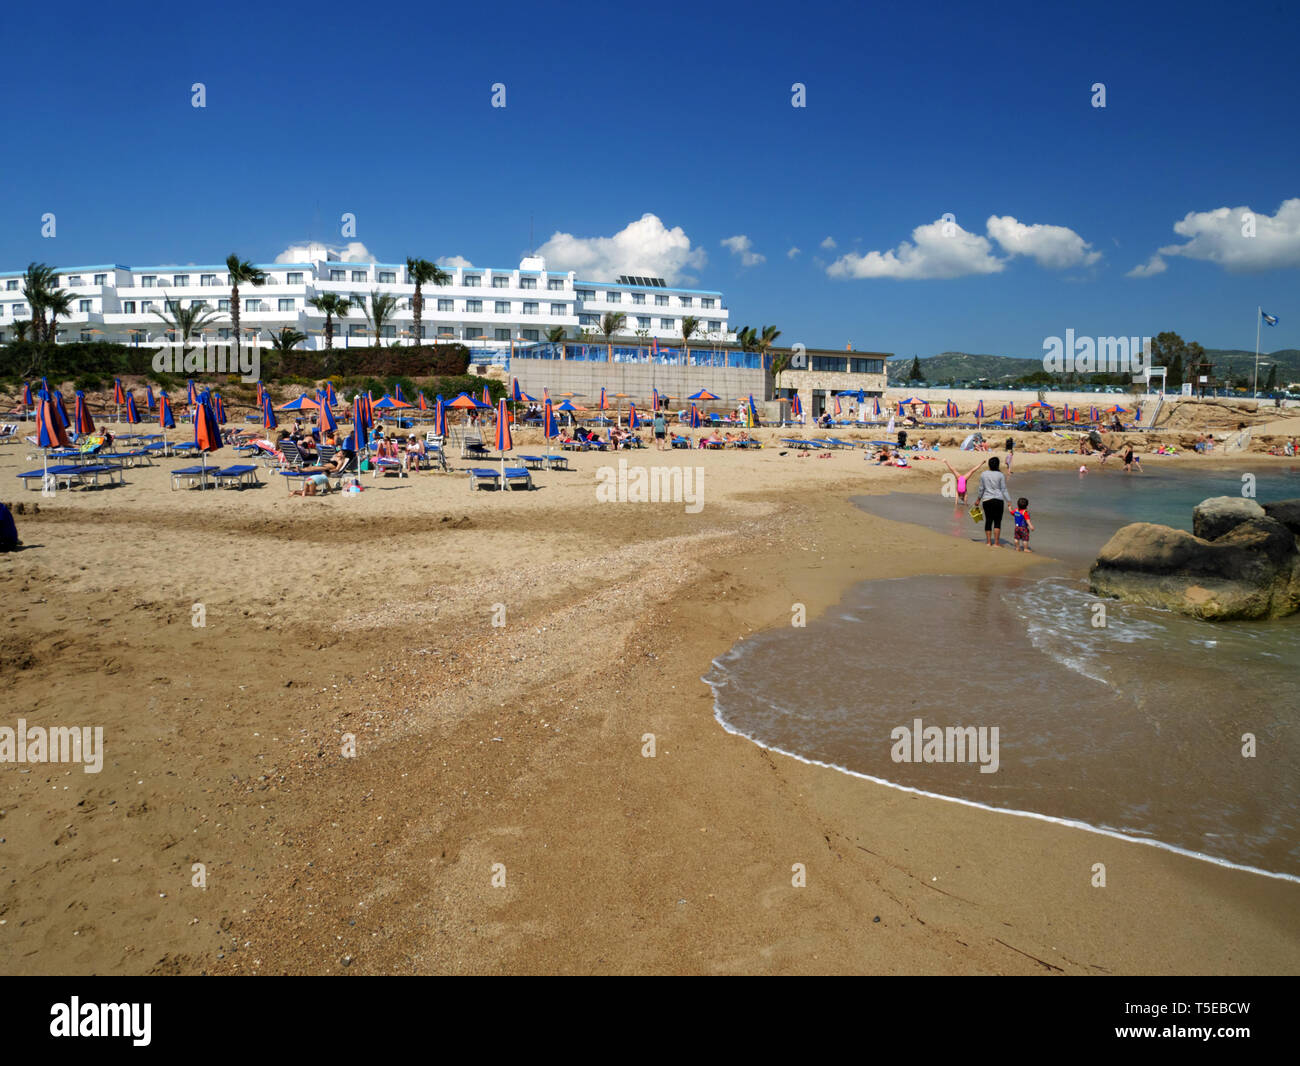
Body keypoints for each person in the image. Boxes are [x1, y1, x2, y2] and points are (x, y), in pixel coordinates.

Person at [974, 456, 1013, 547]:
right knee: (997, 522)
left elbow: (981, 488)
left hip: (987, 500)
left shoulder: (984, 474)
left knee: (988, 520)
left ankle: (988, 542)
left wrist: (978, 500)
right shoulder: (1001, 475)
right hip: (998, 500)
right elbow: (1003, 489)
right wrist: (1009, 500)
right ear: (998, 465)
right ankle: (996, 543)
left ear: (989, 465)